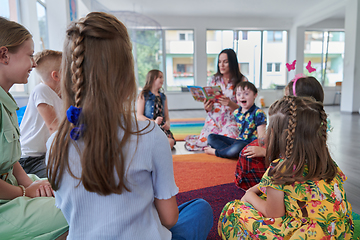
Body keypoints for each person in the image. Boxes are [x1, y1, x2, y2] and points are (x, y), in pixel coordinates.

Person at [46, 12, 213, 240]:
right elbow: (169, 219)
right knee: (200, 208)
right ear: (126, 76)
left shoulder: (54, 145)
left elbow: (73, 214)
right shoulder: (150, 135)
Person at [219, 96, 354, 239]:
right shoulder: (328, 162)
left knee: (232, 210)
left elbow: (273, 214)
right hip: (339, 233)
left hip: (303, 235)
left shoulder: (279, 169)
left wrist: (250, 195)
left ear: (280, 135)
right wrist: (260, 187)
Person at [0, 17, 68, 239]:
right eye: (29, 55)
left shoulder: (6, 101)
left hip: (13, 187)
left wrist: (32, 185)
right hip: (6, 204)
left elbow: (11, 162)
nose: (34, 63)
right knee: (80, 207)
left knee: (73, 191)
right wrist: (24, 192)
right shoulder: (39, 92)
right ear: (4, 55)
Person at [235, 75, 325, 190]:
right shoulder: (314, 123)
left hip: (290, 182)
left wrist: (264, 152)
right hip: (288, 171)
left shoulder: (295, 128)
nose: (284, 100)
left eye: (286, 97)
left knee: (247, 155)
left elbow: (291, 157)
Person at [184, 48, 246, 151]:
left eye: (225, 62)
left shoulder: (242, 81)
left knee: (229, 141)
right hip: (213, 120)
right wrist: (207, 107)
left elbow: (246, 109)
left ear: (232, 62)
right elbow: (210, 105)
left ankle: (216, 150)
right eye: (219, 62)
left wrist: (230, 104)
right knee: (203, 142)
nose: (221, 65)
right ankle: (217, 148)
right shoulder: (213, 79)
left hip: (231, 121)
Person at [19, 50, 62, 178]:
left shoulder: (62, 96)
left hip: (45, 155)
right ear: (56, 76)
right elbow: (54, 128)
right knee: (59, 178)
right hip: (30, 159)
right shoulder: (41, 90)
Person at [204, 81, 266, 159]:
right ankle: (230, 152)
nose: (242, 97)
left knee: (237, 147)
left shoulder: (258, 113)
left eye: (246, 94)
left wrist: (262, 149)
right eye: (238, 94)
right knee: (211, 137)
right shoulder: (236, 112)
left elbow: (262, 135)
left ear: (255, 95)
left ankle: (217, 152)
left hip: (249, 144)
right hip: (238, 141)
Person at [137, 69, 176, 149]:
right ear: (153, 79)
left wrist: (167, 125)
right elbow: (139, 116)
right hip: (148, 127)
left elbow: (166, 116)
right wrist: (154, 122)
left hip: (161, 128)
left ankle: (154, 147)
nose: (163, 80)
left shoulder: (163, 97)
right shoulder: (143, 95)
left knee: (170, 142)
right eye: (160, 77)